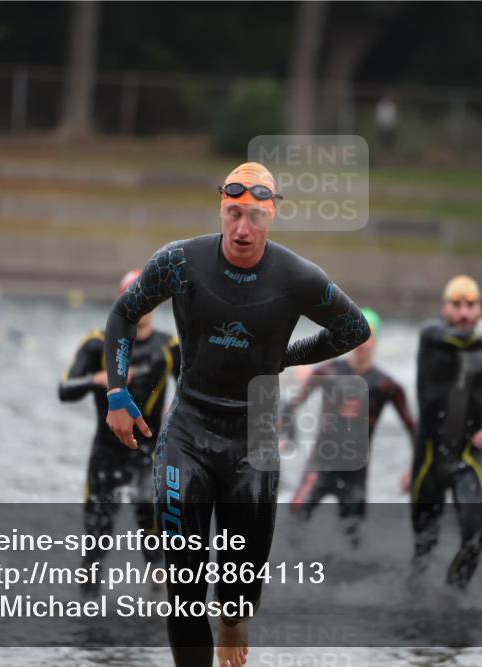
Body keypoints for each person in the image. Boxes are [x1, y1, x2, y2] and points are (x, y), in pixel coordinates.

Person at [103, 162, 370, 667]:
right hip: (190, 425)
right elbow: (123, 312)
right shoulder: (179, 261)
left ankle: (233, 618)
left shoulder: (299, 277)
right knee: (183, 581)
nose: (242, 229)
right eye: (233, 213)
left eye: (254, 216)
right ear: (220, 210)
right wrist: (118, 394)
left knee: (239, 582)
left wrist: (282, 358)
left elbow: (352, 330)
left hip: (257, 430)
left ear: (271, 216)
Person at [59, 269, 180, 596]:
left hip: (148, 454)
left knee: (153, 533)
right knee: (96, 541)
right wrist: (97, 380)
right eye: (132, 300)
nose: (140, 308)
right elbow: (64, 389)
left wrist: (174, 417)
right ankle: (87, 609)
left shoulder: (169, 346)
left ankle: (159, 607)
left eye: (146, 302)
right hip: (106, 455)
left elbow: (191, 390)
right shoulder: (98, 343)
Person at [405, 275, 482, 590]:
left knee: (475, 536)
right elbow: (467, 340)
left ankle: (453, 599)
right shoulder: (432, 337)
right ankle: (415, 601)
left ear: (480, 307)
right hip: (428, 461)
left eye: (471, 305)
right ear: (444, 308)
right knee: (423, 549)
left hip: (466, 460)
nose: (464, 313)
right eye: (456, 305)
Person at [280, 308, 416, 544]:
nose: (363, 343)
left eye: (369, 336)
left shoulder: (386, 385)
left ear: (376, 341)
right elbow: (290, 407)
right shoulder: (328, 372)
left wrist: (414, 469)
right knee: (293, 521)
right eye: (359, 335)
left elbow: (413, 429)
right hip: (320, 465)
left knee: (352, 539)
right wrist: (276, 434)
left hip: (355, 474)